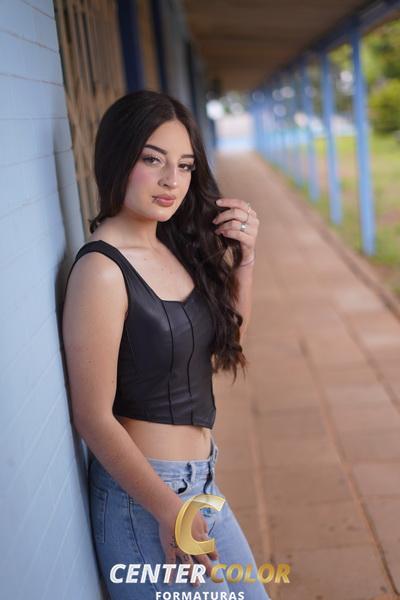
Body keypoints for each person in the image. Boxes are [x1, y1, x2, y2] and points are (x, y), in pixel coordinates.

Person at [62, 90, 269, 599]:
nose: (172, 181)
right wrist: (168, 510)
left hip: (200, 486)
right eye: (152, 160)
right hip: (146, 500)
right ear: (117, 159)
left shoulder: (172, 248)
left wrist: (244, 261)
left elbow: (225, 344)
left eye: (185, 165)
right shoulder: (101, 270)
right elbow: (91, 416)